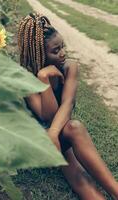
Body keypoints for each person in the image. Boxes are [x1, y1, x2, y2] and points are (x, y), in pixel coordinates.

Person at [18, 13, 118, 200]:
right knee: (77, 173)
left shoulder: (70, 67)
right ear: (39, 53)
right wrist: (43, 79)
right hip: (42, 139)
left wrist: (54, 133)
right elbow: (47, 117)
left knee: (74, 127)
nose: (62, 53)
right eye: (55, 51)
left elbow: (67, 104)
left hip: (58, 132)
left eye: (62, 46)